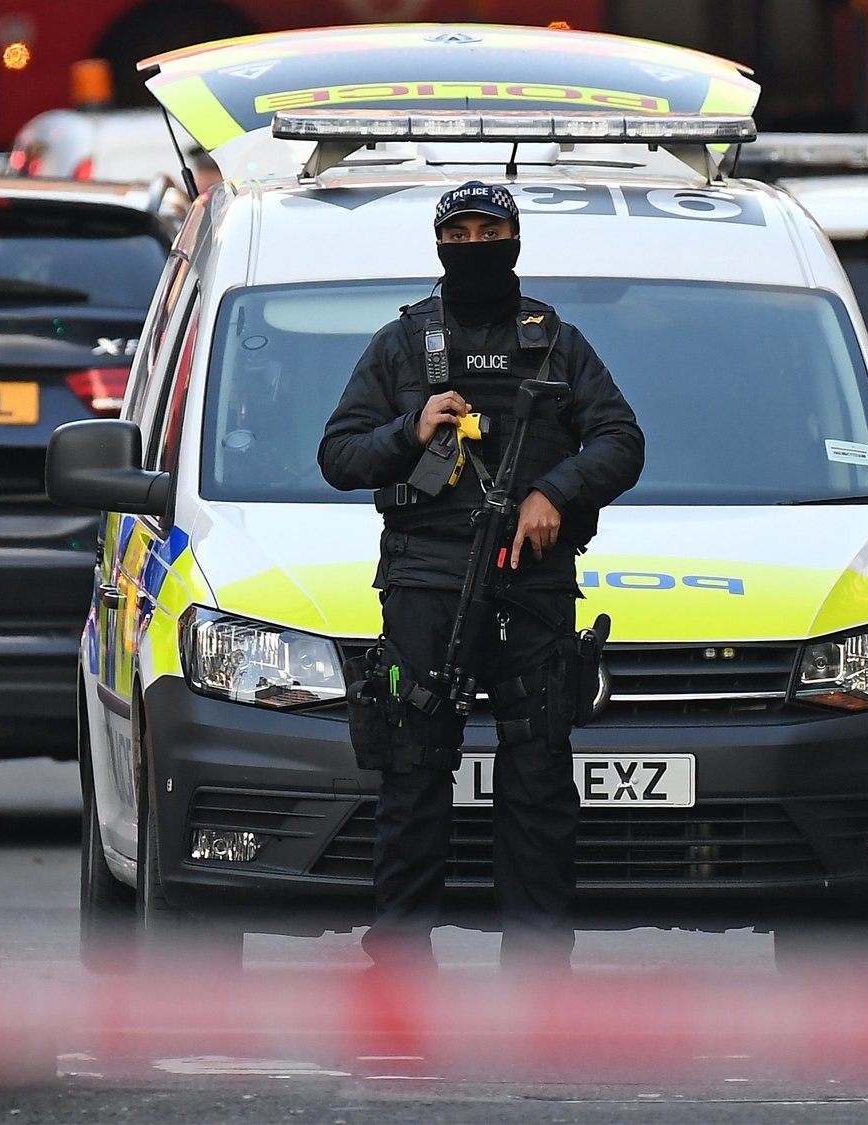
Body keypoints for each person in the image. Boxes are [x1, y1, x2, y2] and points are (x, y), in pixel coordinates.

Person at [318, 181, 645, 972]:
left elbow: (621, 440)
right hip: (427, 583)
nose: (473, 242)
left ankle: (538, 969)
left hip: (531, 585)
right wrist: (411, 427)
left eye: (488, 228)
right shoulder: (403, 346)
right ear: (438, 244)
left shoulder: (557, 343)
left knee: (536, 771)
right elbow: (339, 455)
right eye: (458, 231)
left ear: (515, 237)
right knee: (414, 770)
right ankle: (398, 962)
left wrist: (553, 492)